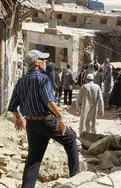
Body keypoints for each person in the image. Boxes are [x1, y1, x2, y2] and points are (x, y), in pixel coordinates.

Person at [7, 50, 79, 188]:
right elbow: (49, 102)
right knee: (71, 138)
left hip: (31, 125)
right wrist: (60, 117)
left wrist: (17, 117)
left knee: (33, 159)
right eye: (42, 59)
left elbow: (12, 105)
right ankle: (76, 178)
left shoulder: (21, 81)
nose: (45, 61)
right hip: (46, 121)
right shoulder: (42, 79)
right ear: (36, 63)